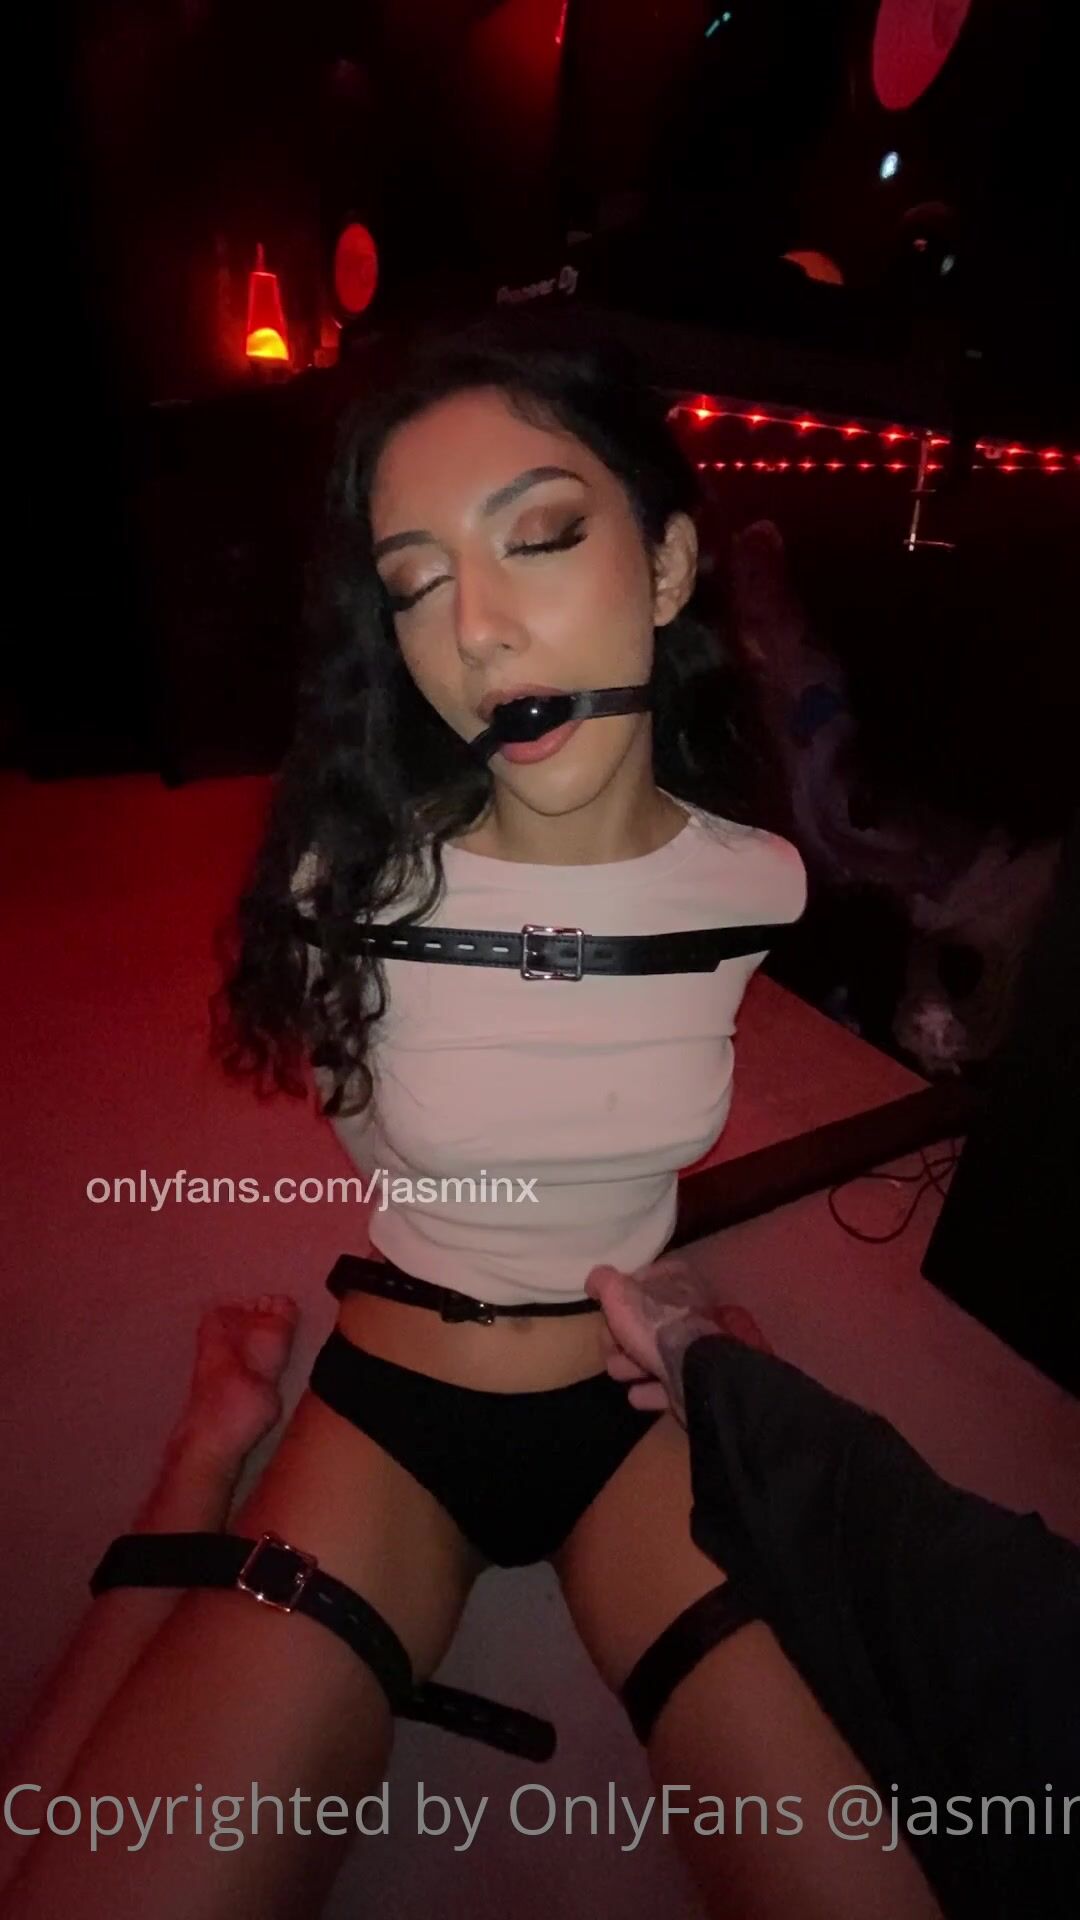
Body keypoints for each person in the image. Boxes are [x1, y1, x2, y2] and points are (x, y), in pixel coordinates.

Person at [0, 324, 946, 1920]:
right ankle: (203, 1455)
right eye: (418, 582)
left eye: (541, 535)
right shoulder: (355, 893)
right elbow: (368, 1130)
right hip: (398, 1410)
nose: (479, 631)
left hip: (632, 1404)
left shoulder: (757, 887)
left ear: (666, 566)